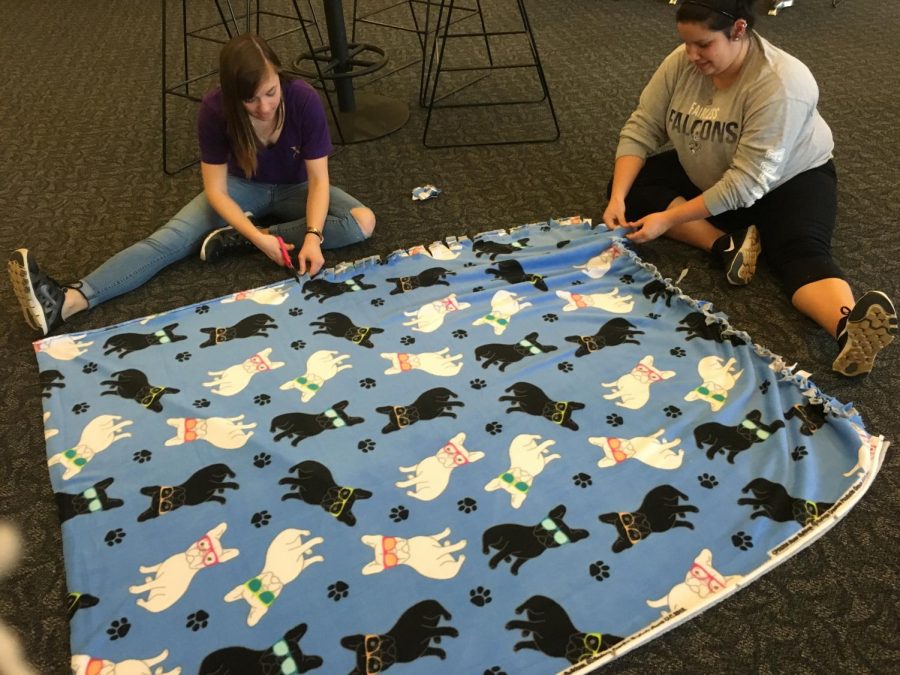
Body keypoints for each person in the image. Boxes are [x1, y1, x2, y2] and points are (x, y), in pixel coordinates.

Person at [8, 33, 375, 337]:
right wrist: (259, 239)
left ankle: (235, 239)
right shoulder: (215, 109)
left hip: (296, 188)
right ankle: (68, 301)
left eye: (270, 93)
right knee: (168, 239)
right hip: (239, 187)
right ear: (233, 96)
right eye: (250, 99)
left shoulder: (303, 99)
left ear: (279, 77)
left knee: (361, 221)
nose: (264, 108)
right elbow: (216, 190)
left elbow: (318, 179)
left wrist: (312, 236)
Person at [602, 0, 896, 377]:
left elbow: (745, 184)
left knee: (798, 251)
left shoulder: (783, 82)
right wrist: (617, 198)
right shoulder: (682, 61)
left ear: (738, 30)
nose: (691, 55)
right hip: (712, 169)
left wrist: (669, 220)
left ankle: (846, 330)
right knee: (629, 186)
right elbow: (642, 127)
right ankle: (728, 243)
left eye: (704, 45)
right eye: (686, 43)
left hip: (787, 180)